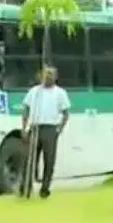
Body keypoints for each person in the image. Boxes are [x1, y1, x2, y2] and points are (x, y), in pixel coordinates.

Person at [21, 66, 71, 199]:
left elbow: (66, 113)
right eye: (46, 74)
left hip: (50, 129)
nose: (48, 76)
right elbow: (26, 109)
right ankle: (25, 188)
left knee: (49, 161)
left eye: (51, 74)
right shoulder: (34, 92)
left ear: (55, 77)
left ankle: (45, 188)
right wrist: (24, 128)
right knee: (30, 159)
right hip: (35, 127)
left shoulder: (60, 93)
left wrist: (59, 128)